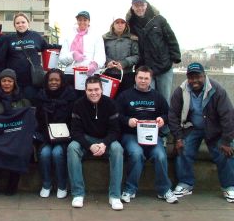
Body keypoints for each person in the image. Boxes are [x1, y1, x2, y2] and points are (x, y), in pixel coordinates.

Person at [169, 62, 234, 202]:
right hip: (192, 128)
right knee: (183, 149)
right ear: (187, 77)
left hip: (215, 130)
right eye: (191, 77)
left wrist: (226, 140)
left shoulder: (217, 90)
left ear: (204, 76)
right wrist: (178, 138)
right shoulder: (180, 91)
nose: (194, 81)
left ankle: (229, 187)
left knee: (226, 153)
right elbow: (173, 115)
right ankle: (186, 183)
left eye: (198, 77)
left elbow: (228, 116)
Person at [116, 66, 178, 204]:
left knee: (160, 155)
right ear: (135, 78)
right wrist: (127, 121)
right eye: (140, 78)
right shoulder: (125, 95)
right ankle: (130, 189)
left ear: (150, 80)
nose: (143, 81)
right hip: (131, 134)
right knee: (136, 153)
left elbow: (167, 114)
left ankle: (164, 190)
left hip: (152, 135)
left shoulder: (157, 96)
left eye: (146, 78)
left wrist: (163, 120)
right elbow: (116, 115)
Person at [67, 76, 124, 210]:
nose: (94, 93)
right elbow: (75, 132)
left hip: (106, 141)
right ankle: (78, 194)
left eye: (96, 89)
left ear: (102, 89)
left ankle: (115, 196)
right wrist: (89, 146)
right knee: (72, 147)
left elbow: (115, 131)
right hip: (86, 140)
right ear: (85, 90)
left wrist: (104, 144)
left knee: (117, 149)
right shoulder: (78, 105)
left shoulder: (110, 104)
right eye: (90, 90)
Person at [0, 68, 31, 195]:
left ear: (14, 83)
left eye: (10, 81)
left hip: (16, 135)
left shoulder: (23, 101)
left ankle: (12, 186)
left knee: (20, 150)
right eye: (4, 80)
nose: (7, 83)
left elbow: (29, 120)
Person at [126, 0, 181, 103]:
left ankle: (164, 120)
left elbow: (170, 38)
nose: (139, 8)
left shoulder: (159, 20)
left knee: (164, 100)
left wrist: (175, 57)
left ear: (146, 5)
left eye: (142, 5)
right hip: (145, 69)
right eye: (136, 5)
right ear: (132, 7)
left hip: (163, 66)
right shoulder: (130, 24)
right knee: (147, 100)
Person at [35, 69, 76, 199]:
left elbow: (73, 120)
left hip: (64, 137)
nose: (53, 82)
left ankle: (62, 185)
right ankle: (47, 184)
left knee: (57, 153)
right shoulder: (41, 96)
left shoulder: (70, 96)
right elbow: (37, 120)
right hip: (46, 136)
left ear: (62, 81)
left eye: (56, 80)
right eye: (50, 80)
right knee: (45, 153)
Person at [3, 12, 54, 102]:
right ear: (14, 25)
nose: (20, 25)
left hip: (32, 81)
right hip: (14, 81)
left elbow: (48, 47)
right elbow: (1, 54)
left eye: (23, 22)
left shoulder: (36, 36)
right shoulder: (9, 38)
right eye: (17, 23)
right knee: (15, 106)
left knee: (30, 106)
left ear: (28, 23)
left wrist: (65, 47)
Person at [59, 11, 106, 91]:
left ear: (89, 21)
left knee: (90, 99)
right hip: (71, 74)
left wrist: (95, 64)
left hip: (90, 74)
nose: (82, 22)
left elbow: (100, 55)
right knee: (71, 99)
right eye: (80, 20)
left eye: (85, 20)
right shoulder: (69, 36)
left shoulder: (96, 36)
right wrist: (72, 55)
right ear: (77, 21)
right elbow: (62, 59)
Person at [102, 15, 139, 97]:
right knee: (108, 100)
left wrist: (124, 63)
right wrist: (108, 62)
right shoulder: (105, 38)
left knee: (126, 100)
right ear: (113, 24)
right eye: (117, 22)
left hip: (127, 75)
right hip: (109, 75)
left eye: (122, 22)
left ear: (126, 25)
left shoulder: (132, 39)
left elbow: (136, 56)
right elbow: (101, 54)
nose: (120, 24)